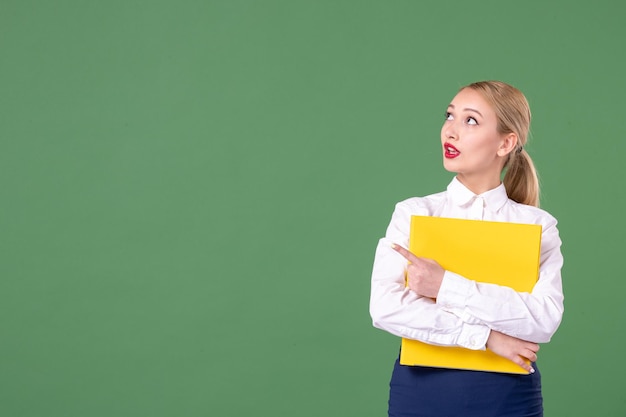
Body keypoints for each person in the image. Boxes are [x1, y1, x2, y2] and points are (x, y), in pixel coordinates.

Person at [369, 80, 564, 417]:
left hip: (508, 396)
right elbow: (385, 308)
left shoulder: (537, 226)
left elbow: (542, 320)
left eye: (470, 120)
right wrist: (487, 337)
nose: (450, 132)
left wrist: (444, 286)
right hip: (422, 391)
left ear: (506, 142)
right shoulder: (415, 213)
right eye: (449, 116)